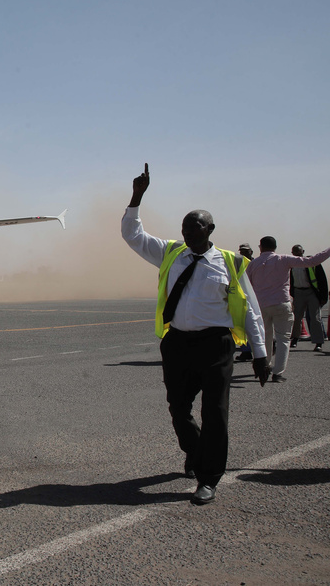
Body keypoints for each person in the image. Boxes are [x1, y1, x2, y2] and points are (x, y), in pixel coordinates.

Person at [121, 164, 266, 506]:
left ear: (210, 228)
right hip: (177, 344)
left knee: (215, 412)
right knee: (178, 408)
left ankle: (208, 478)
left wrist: (260, 354)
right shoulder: (170, 253)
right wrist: (136, 196)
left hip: (216, 346)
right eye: (185, 226)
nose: (187, 230)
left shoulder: (230, 263)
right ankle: (196, 450)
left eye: (195, 225)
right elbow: (133, 236)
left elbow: (250, 311)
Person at [246, 237, 330, 382]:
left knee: (265, 337)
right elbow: (312, 261)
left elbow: (247, 286)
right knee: (283, 339)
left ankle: (265, 366)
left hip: (261, 306)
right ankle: (277, 373)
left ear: (260, 247)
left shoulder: (253, 264)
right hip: (281, 305)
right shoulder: (283, 259)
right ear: (275, 247)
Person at [289, 245, 328, 352]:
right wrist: (292, 294)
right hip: (298, 293)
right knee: (296, 318)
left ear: (303, 252)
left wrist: (323, 297)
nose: (297, 255)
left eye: (299, 253)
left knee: (315, 318)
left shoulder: (312, 263)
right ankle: (295, 339)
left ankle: (318, 342)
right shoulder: (291, 264)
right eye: (294, 253)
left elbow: (322, 280)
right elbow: (291, 281)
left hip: (311, 292)